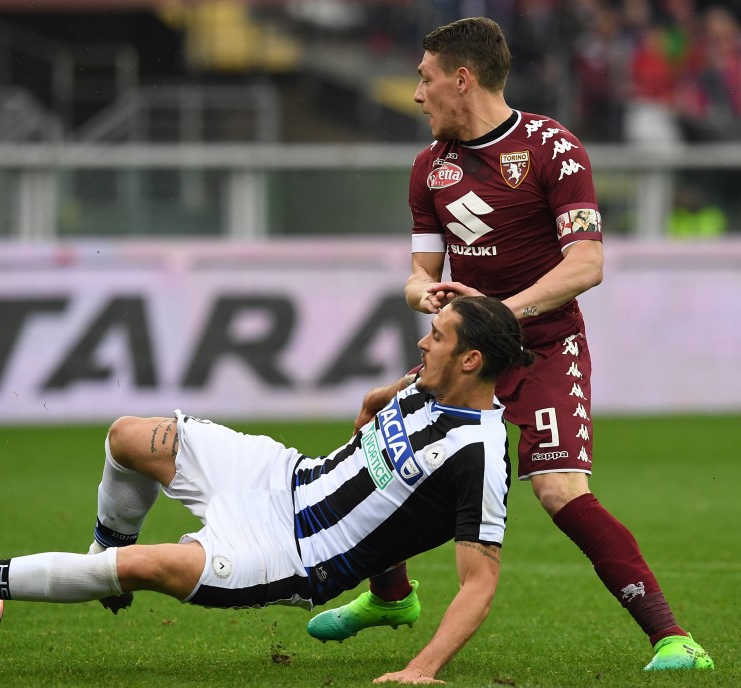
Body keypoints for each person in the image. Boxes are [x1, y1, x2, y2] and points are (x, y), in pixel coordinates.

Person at [305, 17, 714, 672]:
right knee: (375, 424)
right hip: (467, 351)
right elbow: (418, 276)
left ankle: (674, 638)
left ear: (461, 79)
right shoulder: (429, 169)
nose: (417, 94)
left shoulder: (554, 149)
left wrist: (499, 313)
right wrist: (426, 298)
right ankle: (390, 596)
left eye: (425, 78)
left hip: (544, 345)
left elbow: (587, 264)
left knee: (558, 491)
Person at [0, 296, 535, 685]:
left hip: (291, 552)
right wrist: (376, 409)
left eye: (438, 336)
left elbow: (480, 581)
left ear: (472, 360)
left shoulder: (478, 453)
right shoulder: (428, 384)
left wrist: (420, 671)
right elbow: (371, 415)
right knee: (128, 437)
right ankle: (98, 558)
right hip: (281, 475)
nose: (423, 341)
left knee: (146, 567)